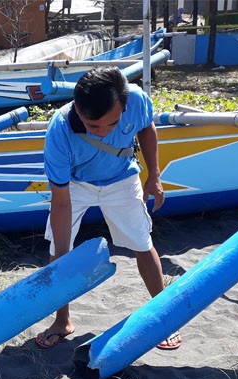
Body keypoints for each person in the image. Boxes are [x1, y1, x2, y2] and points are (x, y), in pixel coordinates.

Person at [35, 67, 181, 350]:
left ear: (124, 106)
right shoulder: (60, 131)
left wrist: (155, 175)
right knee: (57, 250)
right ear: (77, 108)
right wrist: (64, 255)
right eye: (93, 127)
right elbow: (61, 201)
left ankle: (163, 316)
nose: (103, 133)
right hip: (75, 184)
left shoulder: (136, 99)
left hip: (121, 177)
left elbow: (146, 128)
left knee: (142, 242)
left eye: (112, 124)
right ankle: (62, 320)